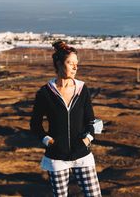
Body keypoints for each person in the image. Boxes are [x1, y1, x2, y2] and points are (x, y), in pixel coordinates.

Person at [30, 40, 102, 197]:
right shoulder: (45, 93)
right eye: (71, 63)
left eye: (77, 63)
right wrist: (48, 141)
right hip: (57, 158)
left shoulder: (82, 89)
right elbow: (35, 124)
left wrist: (87, 140)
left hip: (83, 155)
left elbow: (92, 121)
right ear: (59, 64)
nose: (75, 67)